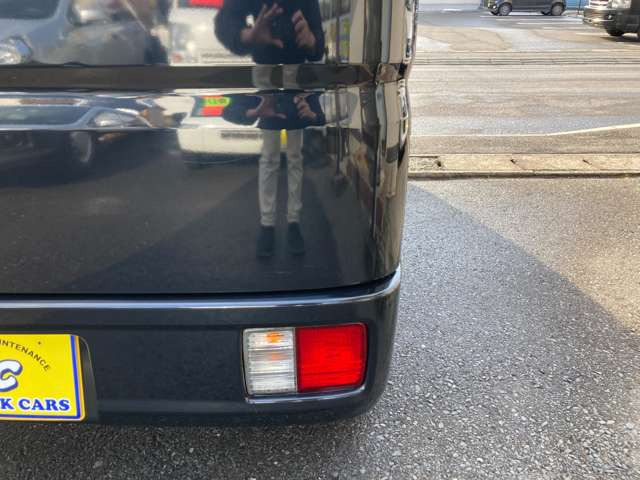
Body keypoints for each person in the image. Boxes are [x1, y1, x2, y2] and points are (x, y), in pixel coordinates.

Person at [214, 0, 326, 257]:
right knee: (272, 155)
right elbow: (225, 22)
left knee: (292, 155)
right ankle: (268, 223)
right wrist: (249, 35)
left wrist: (311, 41)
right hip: (266, 75)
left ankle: (292, 221)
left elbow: (318, 45)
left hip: (296, 75)